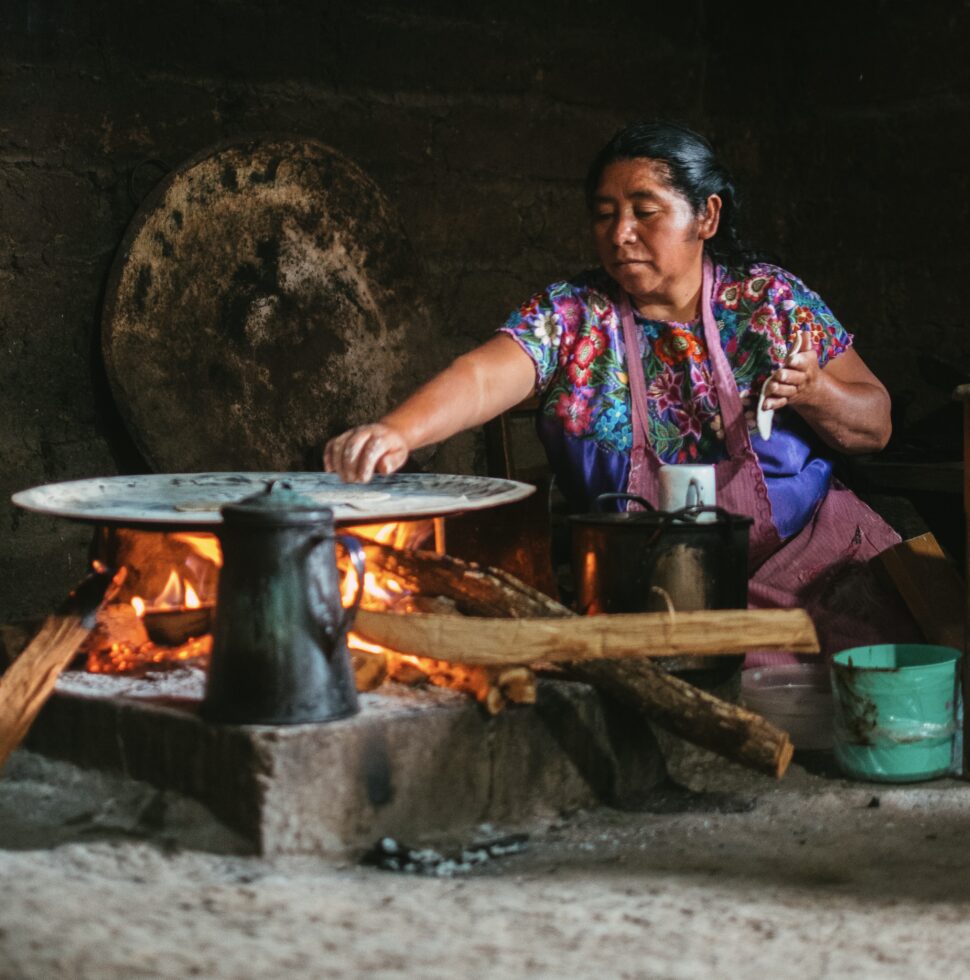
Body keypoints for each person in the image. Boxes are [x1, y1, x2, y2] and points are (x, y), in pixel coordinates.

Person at [325, 120, 919, 659]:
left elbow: (877, 425)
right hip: (646, 595)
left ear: (706, 217)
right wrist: (397, 431)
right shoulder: (575, 316)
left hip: (814, 569)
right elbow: (484, 376)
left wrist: (818, 392)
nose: (620, 232)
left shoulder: (770, 303)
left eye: (645, 210)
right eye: (605, 214)